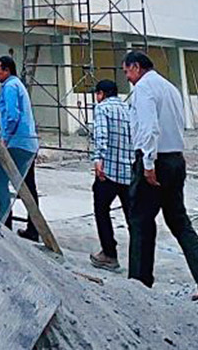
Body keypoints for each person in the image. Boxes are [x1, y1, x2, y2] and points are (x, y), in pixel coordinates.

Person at [122, 49, 198, 299]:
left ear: (136, 67)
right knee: (179, 221)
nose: (127, 78)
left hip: (155, 159)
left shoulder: (144, 88)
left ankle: (139, 283)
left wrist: (148, 163)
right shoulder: (170, 88)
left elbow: (149, 128)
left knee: (140, 221)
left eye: (127, 71)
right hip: (176, 159)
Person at [0, 55, 41, 239]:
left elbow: (12, 116)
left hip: (18, 143)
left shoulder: (10, 87)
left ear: (7, 70)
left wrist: (5, 139)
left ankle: (5, 221)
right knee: (28, 186)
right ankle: (34, 228)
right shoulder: (17, 85)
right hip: (28, 142)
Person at [90, 79, 133, 271]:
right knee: (132, 217)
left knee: (101, 210)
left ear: (101, 94)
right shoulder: (128, 109)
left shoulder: (102, 109)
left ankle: (109, 253)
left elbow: (101, 135)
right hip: (129, 171)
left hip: (109, 171)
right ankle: (138, 261)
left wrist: (98, 159)